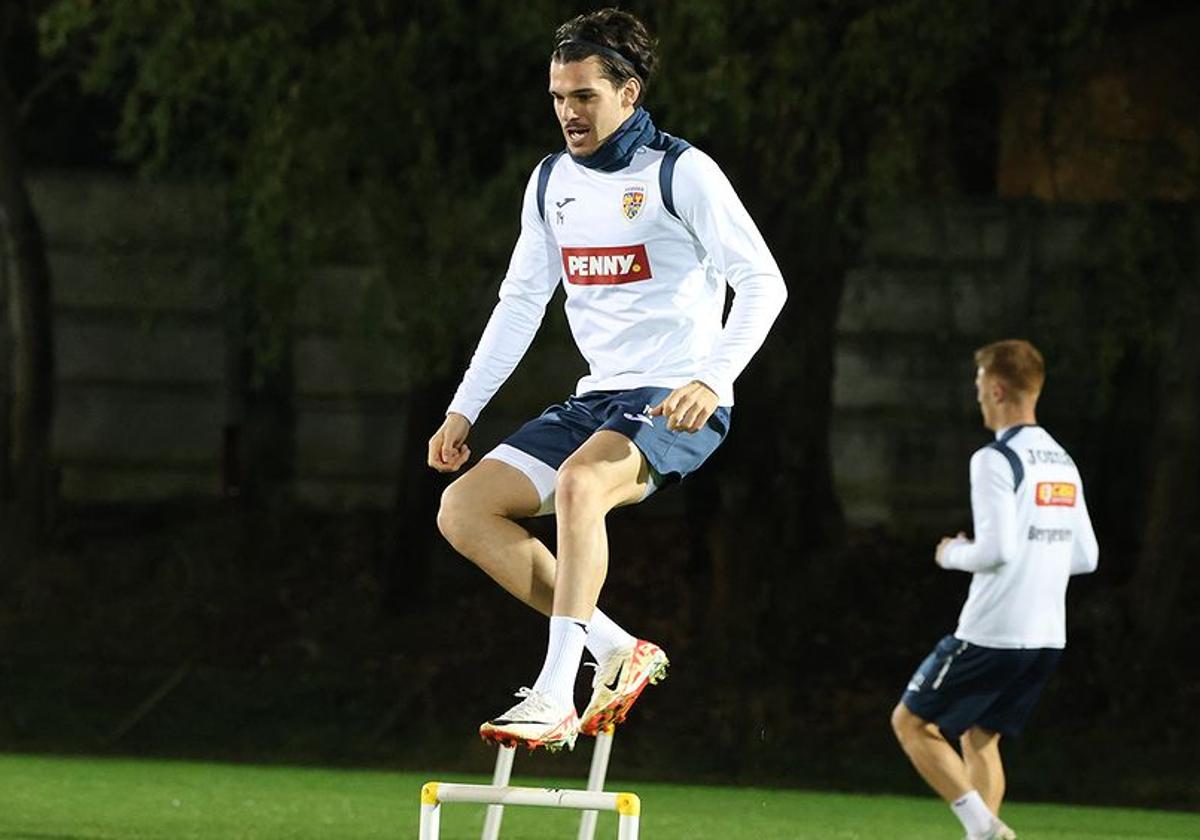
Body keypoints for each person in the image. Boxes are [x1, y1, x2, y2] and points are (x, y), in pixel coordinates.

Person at [426, 8, 786, 752]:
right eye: (558, 97)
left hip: (676, 399)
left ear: (629, 92)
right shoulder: (550, 181)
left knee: (579, 487)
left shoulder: (681, 172)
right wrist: (463, 409)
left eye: (584, 96)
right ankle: (616, 649)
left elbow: (764, 283)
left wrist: (714, 378)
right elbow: (521, 301)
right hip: (598, 399)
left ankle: (557, 693)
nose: (568, 113)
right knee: (463, 511)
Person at [890, 339, 1099, 840]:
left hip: (993, 632)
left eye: (980, 385)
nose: (977, 395)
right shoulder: (1061, 459)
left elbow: (996, 551)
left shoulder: (995, 458)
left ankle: (984, 828)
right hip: (1047, 636)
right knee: (981, 738)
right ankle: (984, 834)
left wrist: (949, 553)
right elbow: (1086, 556)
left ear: (998, 388)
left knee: (911, 723)